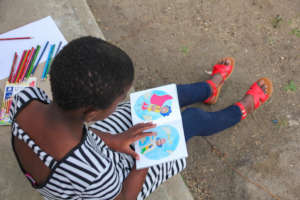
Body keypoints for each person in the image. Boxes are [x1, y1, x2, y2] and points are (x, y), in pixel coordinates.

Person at [10, 36, 273, 200]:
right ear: (91, 113)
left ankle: (210, 89)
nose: (124, 99)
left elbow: (69, 139)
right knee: (192, 120)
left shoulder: (25, 100)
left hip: (88, 148)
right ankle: (241, 109)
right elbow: (126, 197)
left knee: (159, 100)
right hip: (123, 178)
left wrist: (113, 139)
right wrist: (148, 157)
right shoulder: (96, 174)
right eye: (119, 98)